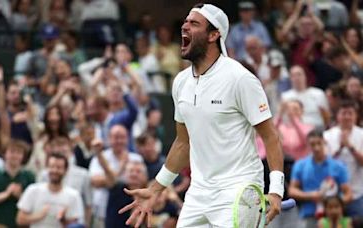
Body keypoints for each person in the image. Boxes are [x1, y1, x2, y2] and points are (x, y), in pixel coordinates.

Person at [119, 4, 284, 228]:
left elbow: (270, 136)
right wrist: (156, 189)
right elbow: (182, 142)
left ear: (214, 35)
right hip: (198, 193)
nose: (184, 27)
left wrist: (276, 190)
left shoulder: (240, 79)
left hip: (237, 190)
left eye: (194, 23)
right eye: (185, 22)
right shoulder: (180, 83)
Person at [288, 129, 352, 228]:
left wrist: (334, 204)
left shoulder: (338, 166)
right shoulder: (300, 165)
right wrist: (311, 195)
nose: (316, 148)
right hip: (310, 214)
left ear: (324, 142)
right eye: (312, 144)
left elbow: (348, 193)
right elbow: (292, 190)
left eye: (319, 143)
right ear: (308, 145)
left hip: (333, 218)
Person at [16, 153, 84, 227]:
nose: (54, 170)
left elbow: (74, 225)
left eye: (59, 167)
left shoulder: (73, 195)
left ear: (65, 170)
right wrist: (38, 216)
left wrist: (63, 219)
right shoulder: (33, 190)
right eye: (52, 166)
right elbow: (20, 220)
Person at [0, 139, 35, 228]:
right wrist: (6, 194)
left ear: (23, 156)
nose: (15, 156)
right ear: (5, 154)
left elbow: (33, 204)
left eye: (19, 153)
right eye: (12, 152)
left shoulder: (29, 176)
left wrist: (19, 195)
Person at [323, 100, 363, 217]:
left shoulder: (361, 134)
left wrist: (350, 147)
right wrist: (340, 148)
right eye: (343, 113)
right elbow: (324, 162)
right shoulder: (327, 135)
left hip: (357, 192)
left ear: (356, 116)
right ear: (337, 116)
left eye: (350, 113)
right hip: (332, 195)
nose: (347, 117)